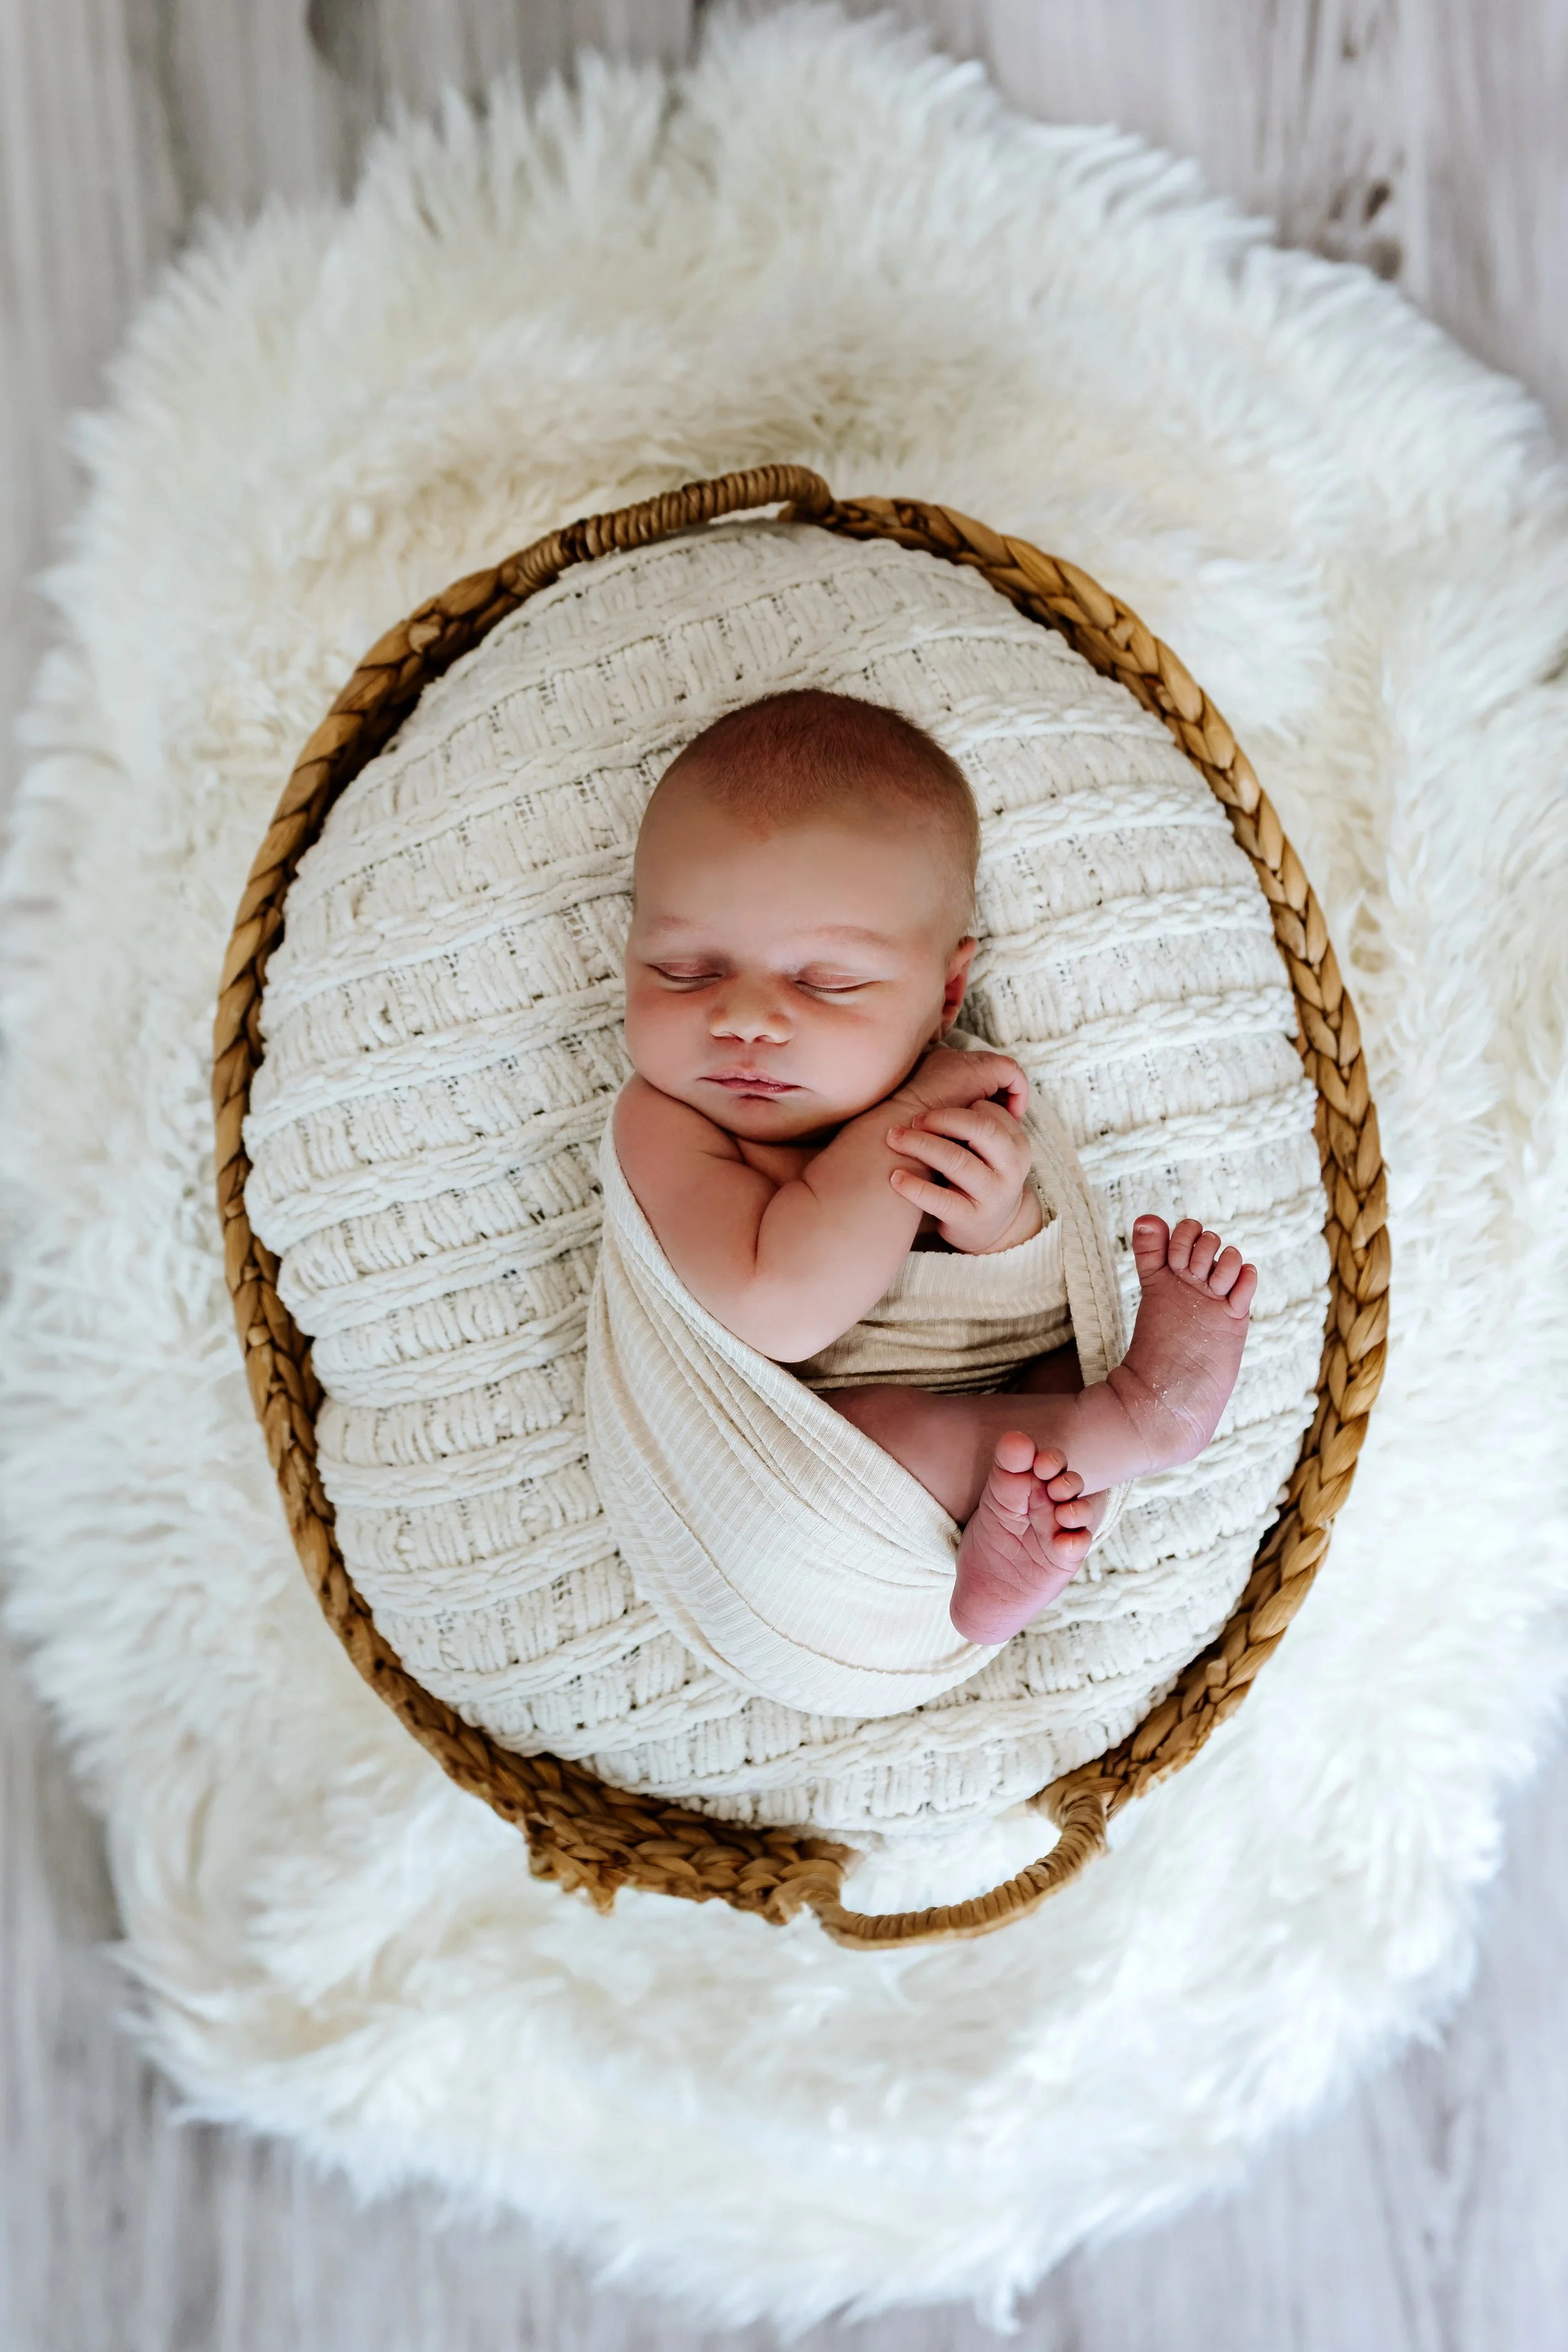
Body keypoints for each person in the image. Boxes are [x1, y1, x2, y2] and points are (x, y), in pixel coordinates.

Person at [608, 687, 1256, 1646]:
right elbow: (780, 1303)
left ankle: (1006, 1560)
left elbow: (1017, 1315)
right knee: (867, 1441)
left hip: (987, 1473)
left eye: (825, 982)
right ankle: (1136, 1418)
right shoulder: (662, 1123)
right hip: (778, 1530)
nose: (743, 1017)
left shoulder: (946, 1100)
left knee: (1037, 1371)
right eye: (685, 970)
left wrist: (997, 1229)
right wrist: (908, 1118)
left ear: (947, 989)